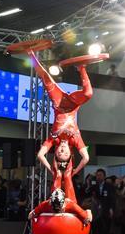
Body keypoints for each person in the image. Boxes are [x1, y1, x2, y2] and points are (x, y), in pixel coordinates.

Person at [29, 50, 92, 199]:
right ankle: (81, 68)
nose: (62, 151)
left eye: (59, 154)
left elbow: (40, 155)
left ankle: (30, 52)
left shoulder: (53, 139)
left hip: (58, 103)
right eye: (65, 154)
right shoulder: (75, 139)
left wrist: (52, 169)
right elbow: (86, 158)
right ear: (70, 153)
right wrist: (75, 170)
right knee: (88, 94)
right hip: (74, 104)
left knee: (45, 77)